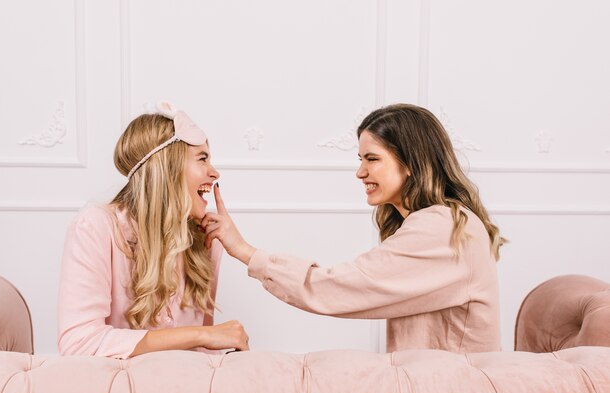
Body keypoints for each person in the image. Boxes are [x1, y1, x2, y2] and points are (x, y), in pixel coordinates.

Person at [201, 103, 504, 353]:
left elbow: (333, 288)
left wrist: (245, 252)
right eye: (361, 159)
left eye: (372, 159)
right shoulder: (443, 222)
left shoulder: (442, 228)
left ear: (411, 162)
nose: (360, 172)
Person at [58, 102, 249, 359]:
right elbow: (78, 343)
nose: (214, 173)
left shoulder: (206, 240)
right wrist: (202, 335)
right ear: (167, 166)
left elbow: (202, 357)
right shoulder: (95, 227)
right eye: (202, 158)